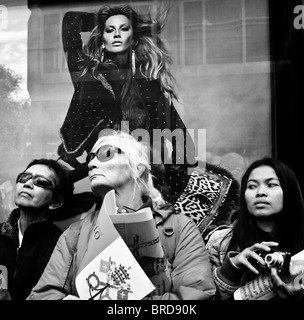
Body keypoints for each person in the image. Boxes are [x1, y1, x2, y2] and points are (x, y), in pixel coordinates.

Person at [27, 130, 215, 300]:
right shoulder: (74, 234)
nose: (91, 164)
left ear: (138, 167)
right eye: (91, 158)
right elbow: (43, 295)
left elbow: (196, 295)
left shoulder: (179, 228)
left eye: (105, 153)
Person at [58, 4, 196, 196]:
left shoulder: (148, 83)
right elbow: (70, 20)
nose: (116, 34)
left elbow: (181, 138)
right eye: (109, 30)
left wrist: (173, 182)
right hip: (99, 174)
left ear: (133, 38)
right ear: (102, 37)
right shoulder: (87, 74)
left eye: (123, 29)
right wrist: (101, 20)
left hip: (141, 177)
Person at [206, 157, 304, 300]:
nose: (260, 192)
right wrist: (231, 269)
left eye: (271, 185)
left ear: (288, 190)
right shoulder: (220, 241)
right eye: (252, 186)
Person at [0, 158, 74, 300]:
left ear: (56, 202)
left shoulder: (61, 245)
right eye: (24, 178)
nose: (27, 184)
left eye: (41, 182)